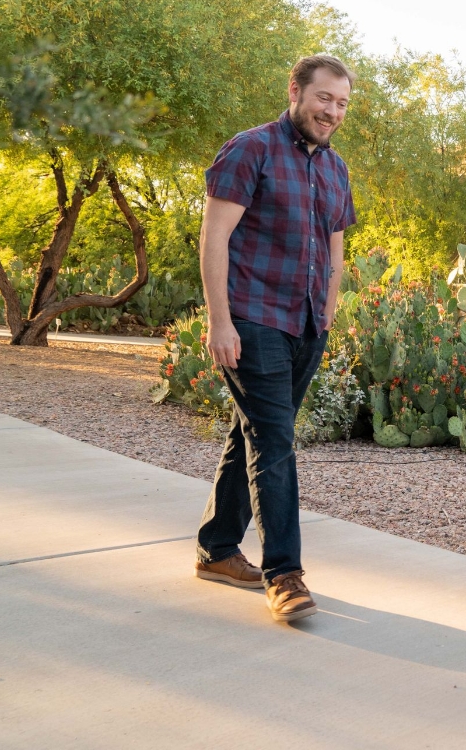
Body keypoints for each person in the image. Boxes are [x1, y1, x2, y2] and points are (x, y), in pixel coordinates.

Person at [193, 55, 357, 623]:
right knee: (275, 441)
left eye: (341, 103)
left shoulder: (336, 168)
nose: (332, 111)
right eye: (324, 98)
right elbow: (214, 237)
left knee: (256, 433)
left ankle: (216, 548)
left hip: (308, 322)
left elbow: (335, 240)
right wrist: (220, 321)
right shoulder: (250, 149)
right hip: (254, 316)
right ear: (296, 90)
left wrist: (330, 306)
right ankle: (284, 572)